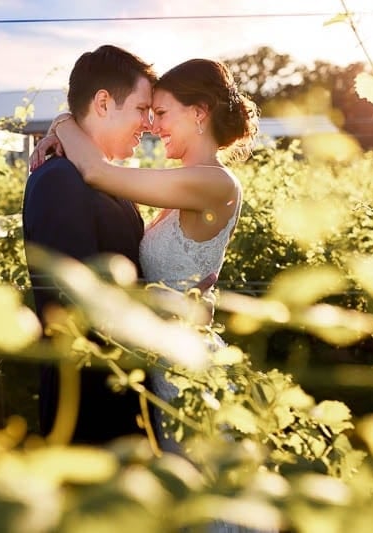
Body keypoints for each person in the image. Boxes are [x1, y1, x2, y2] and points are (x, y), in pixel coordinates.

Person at [32, 58, 259, 453]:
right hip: (159, 362)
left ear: (199, 113)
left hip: (183, 364)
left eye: (161, 113)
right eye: (147, 112)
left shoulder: (215, 182)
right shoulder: (178, 184)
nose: (152, 125)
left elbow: (99, 173)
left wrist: (63, 123)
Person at [21, 44, 157, 445]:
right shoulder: (59, 179)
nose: (148, 124)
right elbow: (74, 307)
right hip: (88, 407)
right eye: (140, 109)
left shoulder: (108, 178)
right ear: (102, 103)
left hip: (124, 393)